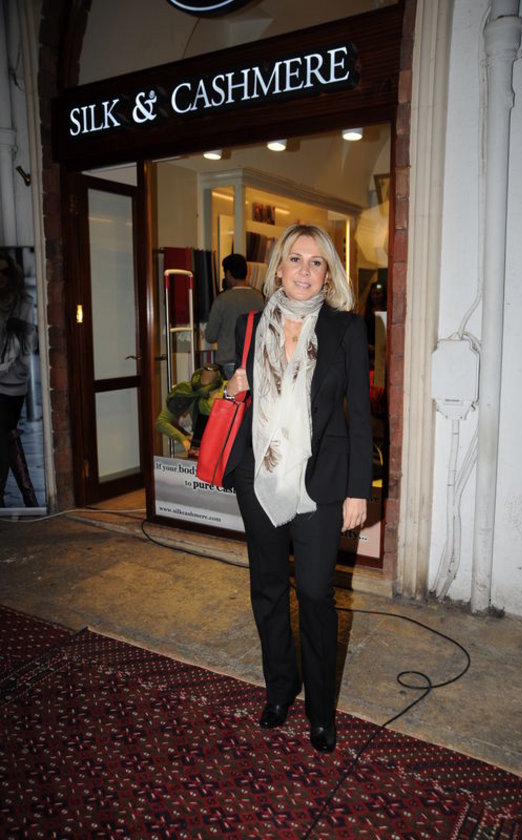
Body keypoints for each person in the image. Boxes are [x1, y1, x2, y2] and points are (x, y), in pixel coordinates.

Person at [223, 224, 372, 753]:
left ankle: (321, 711)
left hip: (320, 481)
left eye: (316, 262)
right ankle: (280, 688)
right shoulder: (248, 325)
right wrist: (231, 388)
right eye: (295, 259)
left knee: (313, 592)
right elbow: (239, 396)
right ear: (278, 268)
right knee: (267, 588)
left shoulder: (345, 329)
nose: (304, 270)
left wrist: (358, 490)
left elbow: (360, 416)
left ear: (328, 275)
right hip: (259, 476)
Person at [0, 249, 38, 508]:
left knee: (5, 433)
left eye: (4, 272)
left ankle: (27, 496)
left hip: (13, 383)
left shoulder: (23, 303)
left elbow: (23, 346)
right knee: (5, 436)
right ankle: (27, 497)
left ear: (12, 274)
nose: (1, 277)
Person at [204, 253, 264, 379]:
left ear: (228, 274)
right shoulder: (259, 298)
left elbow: (210, 336)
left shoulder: (222, 300)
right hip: (254, 362)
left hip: (228, 362)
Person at [156, 363, 224, 456]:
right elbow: (160, 423)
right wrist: (182, 438)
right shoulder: (184, 391)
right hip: (199, 449)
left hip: (222, 447)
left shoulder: (227, 389)